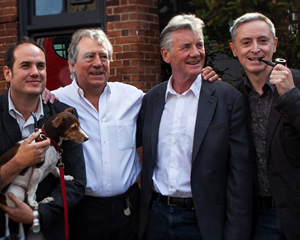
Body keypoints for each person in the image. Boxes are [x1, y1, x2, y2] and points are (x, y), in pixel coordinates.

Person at [48, 27, 219, 240]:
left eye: (104, 56)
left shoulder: (132, 97)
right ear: (72, 64)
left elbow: (177, 100)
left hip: (128, 209)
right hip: (82, 211)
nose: (98, 63)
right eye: (89, 57)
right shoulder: (55, 102)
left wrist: (203, 81)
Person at [136, 13, 253, 240]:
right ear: (165, 54)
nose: (196, 53)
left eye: (199, 45)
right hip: (156, 217)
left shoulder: (228, 99)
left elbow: (241, 177)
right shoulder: (152, 99)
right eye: (186, 46)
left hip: (204, 221)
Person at [0, 37, 86, 240]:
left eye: (41, 66)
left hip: (49, 230)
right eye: (25, 65)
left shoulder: (62, 115)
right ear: (7, 73)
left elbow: (76, 181)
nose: (35, 72)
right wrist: (18, 162)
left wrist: (37, 214)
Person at [229, 12, 300, 240]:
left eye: (263, 40)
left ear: (275, 44)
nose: (255, 49)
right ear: (234, 49)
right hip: (259, 219)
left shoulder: (297, 84)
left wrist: (291, 96)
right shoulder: (232, 96)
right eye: (246, 43)